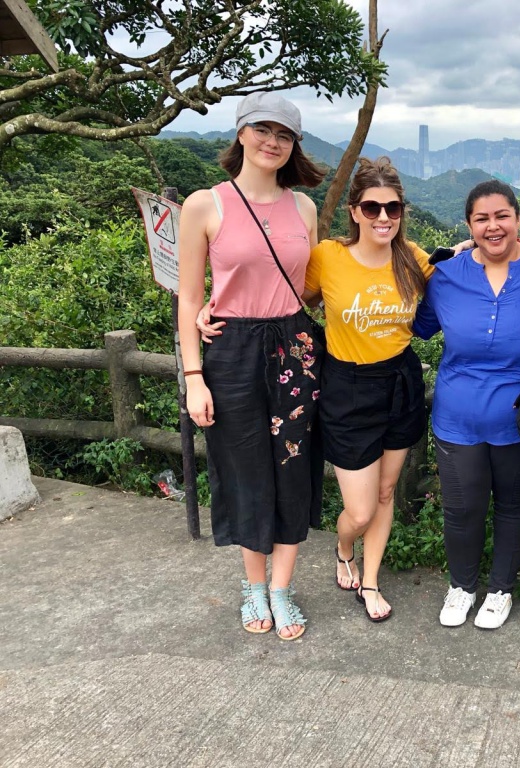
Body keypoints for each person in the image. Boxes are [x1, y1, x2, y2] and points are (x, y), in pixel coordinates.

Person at [179, 92, 324, 641]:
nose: (273, 142)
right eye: (263, 130)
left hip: (293, 345)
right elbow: (188, 296)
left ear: (293, 147)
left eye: (285, 135)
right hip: (232, 349)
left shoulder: (303, 207)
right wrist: (195, 376)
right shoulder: (205, 204)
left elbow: (311, 286)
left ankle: (283, 588)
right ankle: (252, 585)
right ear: (240, 133)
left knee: (293, 464)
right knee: (243, 468)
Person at [414, 180, 520, 630]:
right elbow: (416, 326)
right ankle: (461, 586)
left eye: (502, 216)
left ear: (519, 219)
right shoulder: (446, 275)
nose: (493, 226)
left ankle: (500, 589)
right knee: (461, 508)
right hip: (456, 417)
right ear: (469, 225)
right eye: (482, 218)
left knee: (514, 505)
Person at [306, 157, 434, 623]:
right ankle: (344, 549)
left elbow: (469, 278)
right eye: (373, 207)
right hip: (347, 386)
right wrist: (212, 309)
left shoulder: (414, 259)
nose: (384, 217)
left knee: (385, 494)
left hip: (400, 382)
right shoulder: (328, 257)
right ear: (355, 211)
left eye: (393, 208)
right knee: (358, 512)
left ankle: (371, 579)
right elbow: (284, 301)